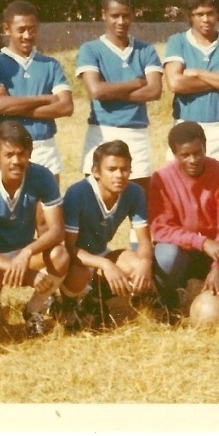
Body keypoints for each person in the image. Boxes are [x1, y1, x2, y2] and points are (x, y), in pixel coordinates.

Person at [0, 0, 74, 325]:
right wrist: (45, 98)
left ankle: (42, 298)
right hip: (9, 152)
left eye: (32, 28)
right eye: (20, 29)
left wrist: (16, 105)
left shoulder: (49, 64)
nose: (27, 35)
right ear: (7, 29)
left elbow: (65, 107)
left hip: (45, 148)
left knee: (48, 229)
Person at [0, 121, 70, 344]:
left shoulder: (42, 176)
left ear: (29, 154)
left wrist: (27, 253)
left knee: (60, 255)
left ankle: (33, 310)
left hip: (23, 250)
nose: (16, 161)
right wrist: (23, 271)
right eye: (9, 154)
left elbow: (57, 231)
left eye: (22, 154)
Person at [149, 121, 219, 319]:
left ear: (205, 149)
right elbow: (161, 229)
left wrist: (218, 268)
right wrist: (201, 242)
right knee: (164, 256)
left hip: (218, 254)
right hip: (183, 253)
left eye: (198, 153)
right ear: (175, 155)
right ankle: (175, 295)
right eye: (185, 155)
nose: (192, 160)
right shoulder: (162, 178)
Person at [75, 0, 163, 195]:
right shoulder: (90, 49)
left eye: (126, 16)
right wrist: (135, 83)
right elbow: (95, 90)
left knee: (140, 203)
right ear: (103, 15)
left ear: (133, 15)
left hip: (136, 133)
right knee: (94, 203)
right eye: (115, 16)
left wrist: (111, 91)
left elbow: (155, 91)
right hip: (102, 131)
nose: (121, 22)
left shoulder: (146, 50)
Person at [61, 140, 154, 329]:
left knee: (136, 264)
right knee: (78, 275)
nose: (119, 175)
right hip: (76, 261)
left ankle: (95, 299)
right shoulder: (77, 193)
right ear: (96, 171)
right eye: (111, 169)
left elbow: (144, 240)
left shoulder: (134, 192)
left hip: (101, 253)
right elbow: (69, 248)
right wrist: (105, 264)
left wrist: (145, 263)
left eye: (124, 169)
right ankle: (67, 305)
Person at [163, 0, 219, 165]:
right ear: (190, 16)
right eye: (199, 14)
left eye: (210, 13)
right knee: (181, 190)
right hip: (185, 127)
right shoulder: (178, 42)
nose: (206, 19)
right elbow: (175, 83)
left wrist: (198, 73)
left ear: (218, 13)